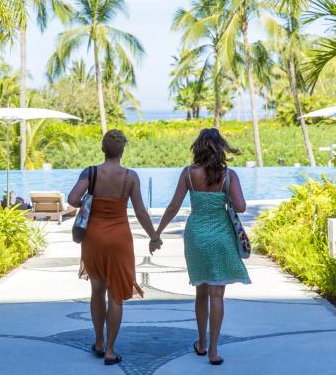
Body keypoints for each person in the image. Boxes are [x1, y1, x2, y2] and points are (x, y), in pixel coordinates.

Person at [155, 128, 250, 366]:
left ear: (198, 147)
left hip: (196, 235)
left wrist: (157, 232)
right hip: (221, 236)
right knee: (217, 293)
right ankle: (214, 351)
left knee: (201, 292)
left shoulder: (188, 174)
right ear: (221, 148)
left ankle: (201, 342)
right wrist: (226, 195)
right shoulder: (230, 176)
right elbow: (241, 207)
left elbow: (173, 206)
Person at [68, 129, 162, 366]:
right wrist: (154, 236)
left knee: (97, 290)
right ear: (123, 151)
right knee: (116, 296)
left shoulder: (90, 173)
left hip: (94, 238)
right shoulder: (130, 177)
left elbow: (71, 199)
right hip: (120, 239)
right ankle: (110, 350)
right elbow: (140, 211)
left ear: (102, 149)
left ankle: (98, 342)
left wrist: (89, 202)